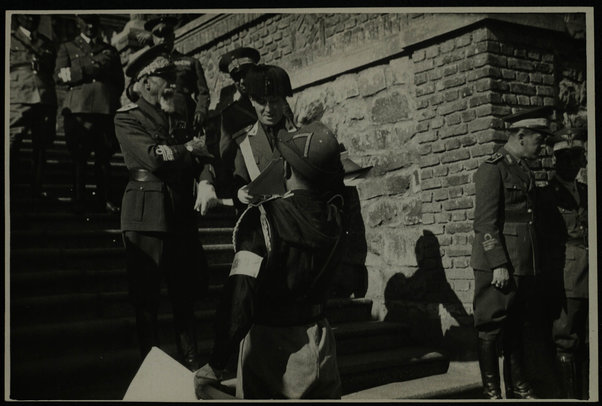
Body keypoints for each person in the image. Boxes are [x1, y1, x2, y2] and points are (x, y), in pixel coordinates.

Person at [194, 121, 346, 399]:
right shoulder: (335, 218)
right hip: (322, 342)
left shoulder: (262, 218)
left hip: (272, 352)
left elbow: (240, 297)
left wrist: (216, 363)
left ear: (285, 168)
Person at [114, 45, 219, 371]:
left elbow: (202, 156)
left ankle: (192, 363)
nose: (173, 83)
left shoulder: (179, 116)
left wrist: (204, 180)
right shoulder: (128, 118)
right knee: (147, 300)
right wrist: (187, 148)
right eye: (165, 77)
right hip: (146, 216)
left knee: (183, 296)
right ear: (145, 84)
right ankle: (150, 368)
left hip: (179, 213)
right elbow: (152, 159)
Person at [470, 106, 554, 399]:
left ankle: (518, 387)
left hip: (523, 264)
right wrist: (498, 264)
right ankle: (491, 393)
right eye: (539, 139)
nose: (542, 146)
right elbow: (485, 223)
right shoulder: (492, 168)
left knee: (517, 325)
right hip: (500, 264)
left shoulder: (521, 168)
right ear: (520, 135)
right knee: (491, 328)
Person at [55, 14, 124, 213]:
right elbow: (59, 76)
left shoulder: (109, 50)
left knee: (104, 157)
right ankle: (79, 199)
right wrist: (90, 70)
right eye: (86, 22)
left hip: (104, 109)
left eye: (94, 22)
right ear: (78, 24)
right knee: (79, 157)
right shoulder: (67, 47)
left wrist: (107, 97)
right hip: (78, 110)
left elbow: (119, 81)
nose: (91, 26)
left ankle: (106, 199)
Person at [539, 127, 588, 399]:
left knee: (588, 338)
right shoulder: (547, 196)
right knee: (566, 339)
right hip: (567, 277)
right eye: (565, 157)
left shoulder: (586, 190)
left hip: (589, 276)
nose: (571, 163)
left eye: (576, 156)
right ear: (555, 160)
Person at [223, 64, 298, 214]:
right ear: (251, 100)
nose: (269, 109)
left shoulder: (299, 132)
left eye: (275, 101)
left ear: (283, 100)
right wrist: (241, 194)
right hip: (270, 224)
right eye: (262, 102)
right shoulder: (244, 142)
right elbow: (239, 181)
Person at [9, 14, 57, 199]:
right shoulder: (10, 38)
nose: (30, 17)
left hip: (44, 99)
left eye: (34, 15)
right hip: (18, 96)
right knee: (13, 143)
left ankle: (36, 191)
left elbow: (51, 68)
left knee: (41, 146)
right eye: (25, 15)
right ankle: (11, 191)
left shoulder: (46, 43)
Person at [144, 15, 210, 137]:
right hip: (157, 118)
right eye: (158, 36)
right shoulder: (146, 66)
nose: (163, 39)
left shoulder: (190, 62)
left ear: (173, 36)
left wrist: (201, 110)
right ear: (153, 39)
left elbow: (203, 92)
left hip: (184, 115)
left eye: (167, 34)